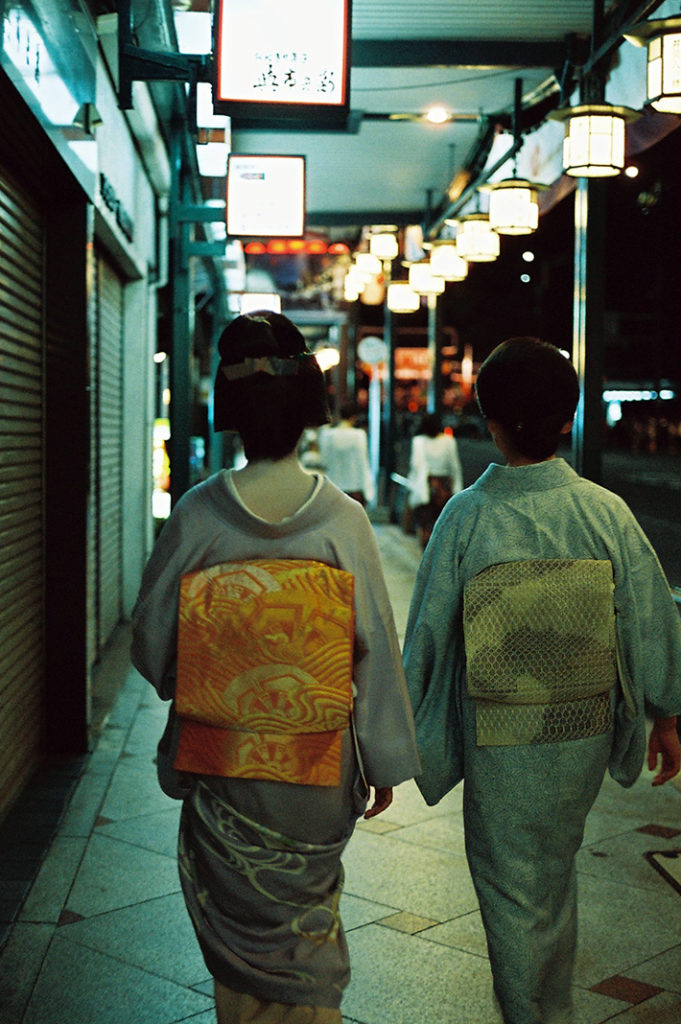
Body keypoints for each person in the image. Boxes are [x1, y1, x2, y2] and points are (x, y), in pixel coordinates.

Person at [131, 310, 420, 1024]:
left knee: (237, 941)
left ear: (229, 414)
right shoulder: (342, 519)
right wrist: (381, 760)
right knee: (306, 920)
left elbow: (149, 640)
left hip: (223, 763)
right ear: (306, 413)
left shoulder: (199, 515)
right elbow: (376, 648)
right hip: (317, 771)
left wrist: (206, 680)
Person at [403, 336, 681, 1024]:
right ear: (567, 420)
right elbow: (647, 616)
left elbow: (427, 639)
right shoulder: (603, 512)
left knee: (508, 887)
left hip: (498, 733)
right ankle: (547, 1005)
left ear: (487, 419)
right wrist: (665, 714)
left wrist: (390, 737)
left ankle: (534, 1013)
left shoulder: (466, 516)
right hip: (580, 729)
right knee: (552, 869)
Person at [406, 412, 463, 547]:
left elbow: (416, 466)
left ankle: (425, 554)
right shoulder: (449, 441)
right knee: (442, 527)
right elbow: (455, 467)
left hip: (425, 487)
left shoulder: (419, 441)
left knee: (424, 524)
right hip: (444, 489)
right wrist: (457, 490)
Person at [318, 401, 374, 505]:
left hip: (333, 485)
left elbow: (324, 461)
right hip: (354, 486)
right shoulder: (358, 435)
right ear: (354, 417)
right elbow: (362, 462)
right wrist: (368, 489)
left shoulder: (327, 435)